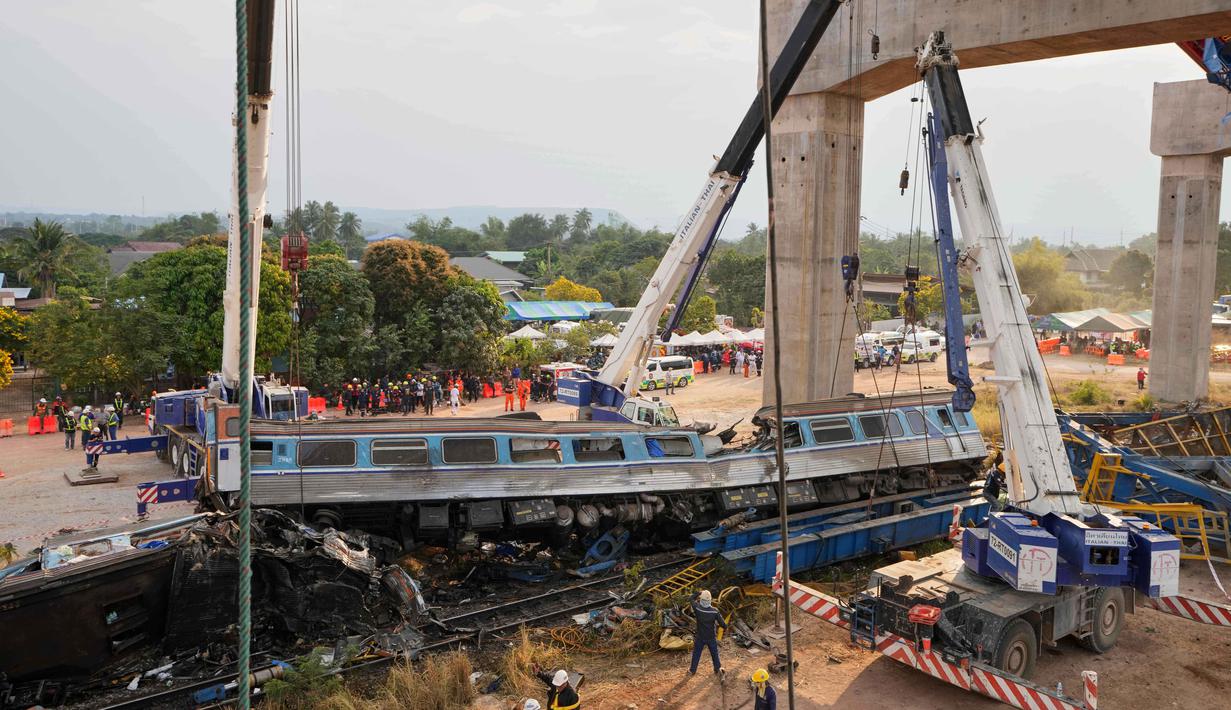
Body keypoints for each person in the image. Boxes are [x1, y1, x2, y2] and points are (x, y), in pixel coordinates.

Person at [688, 588, 726, 677]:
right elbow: (723, 624)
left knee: (696, 654)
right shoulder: (714, 611)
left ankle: (692, 670)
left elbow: (691, 598)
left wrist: (699, 592)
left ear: (701, 599)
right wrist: (724, 627)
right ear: (710, 600)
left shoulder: (697, 608)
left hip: (700, 637)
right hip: (711, 637)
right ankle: (717, 669)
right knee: (714, 654)